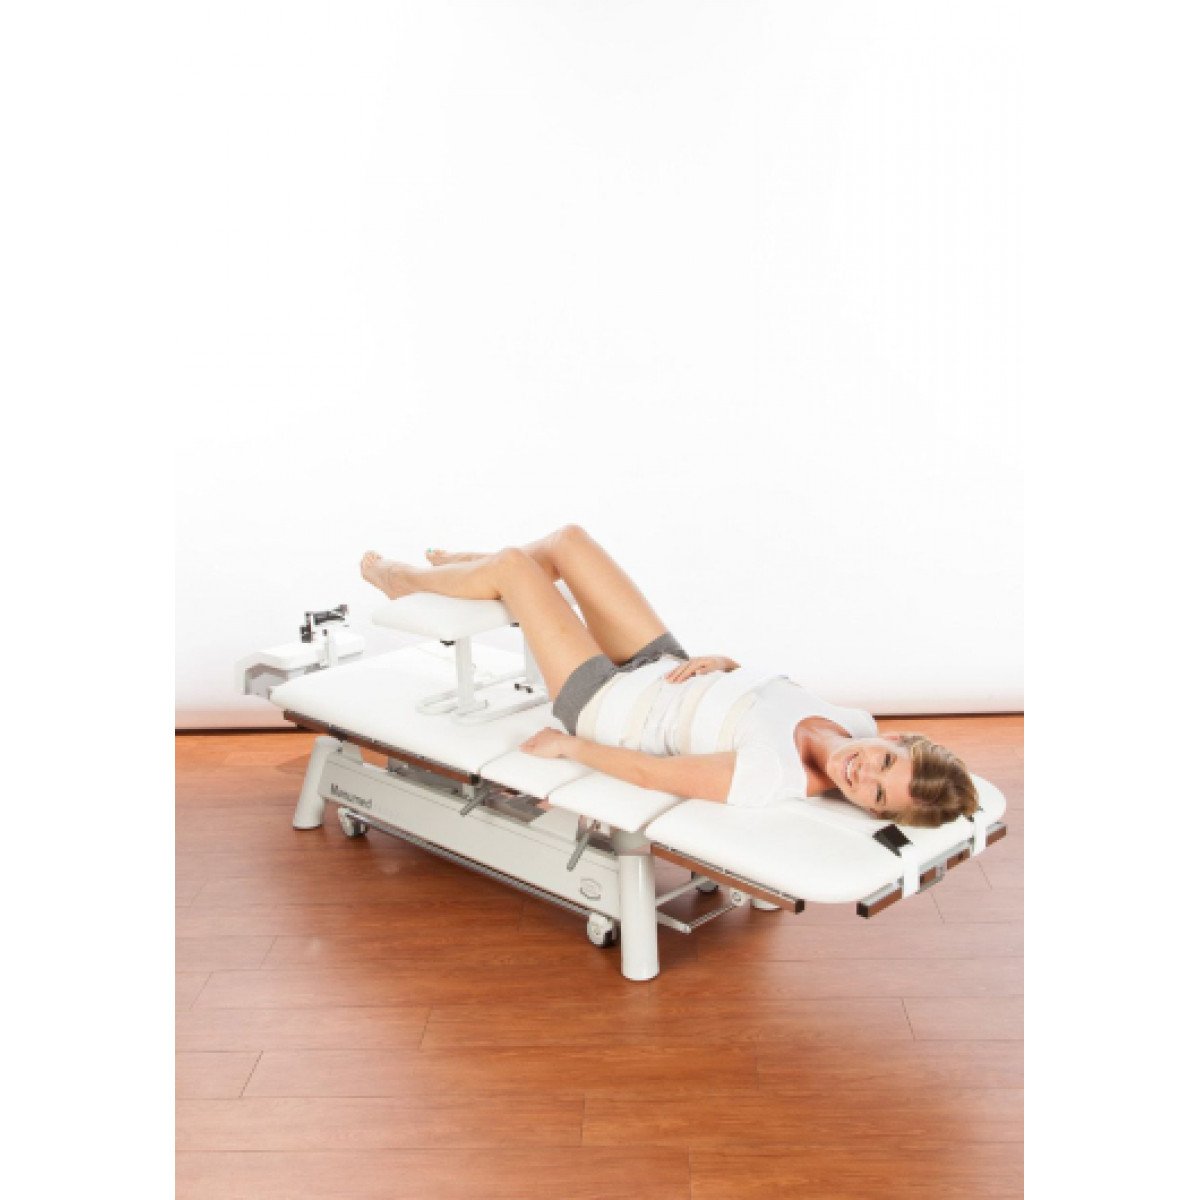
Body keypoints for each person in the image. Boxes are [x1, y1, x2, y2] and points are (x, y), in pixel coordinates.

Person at [360, 524, 978, 827]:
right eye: (886, 764)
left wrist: (570, 747)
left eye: (875, 796)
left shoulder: (771, 775)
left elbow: (653, 774)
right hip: (666, 666)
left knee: (518, 568)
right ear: (897, 739)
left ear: (871, 812)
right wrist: (730, 665)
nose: (863, 774)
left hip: (605, 701)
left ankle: (405, 579)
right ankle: (478, 570)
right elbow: (775, 699)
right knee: (570, 542)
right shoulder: (854, 722)